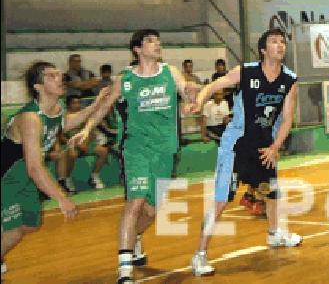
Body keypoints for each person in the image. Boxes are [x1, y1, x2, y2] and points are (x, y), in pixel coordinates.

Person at [69, 29, 201, 284]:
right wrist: (86, 129)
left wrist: (193, 93)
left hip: (165, 151)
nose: (157, 44)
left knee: (151, 211)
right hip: (135, 148)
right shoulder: (125, 79)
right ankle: (125, 267)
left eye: (158, 40)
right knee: (135, 202)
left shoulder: (170, 72)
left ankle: (134, 237)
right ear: (137, 49)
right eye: (150, 41)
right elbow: (104, 107)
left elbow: (187, 91)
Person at [189, 28, 302, 276]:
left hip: (265, 145)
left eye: (282, 42)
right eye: (274, 41)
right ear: (263, 50)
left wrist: (275, 147)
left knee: (271, 192)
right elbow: (214, 85)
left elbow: (287, 119)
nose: (280, 45)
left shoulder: (289, 80)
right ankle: (199, 255)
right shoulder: (245, 72)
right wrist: (199, 101)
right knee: (220, 201)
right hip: (237, 144)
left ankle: (274, 234)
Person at [1, 61, 110, 275]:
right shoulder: (30, 118)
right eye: (51, 76)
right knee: (13, 231)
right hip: (7, 177)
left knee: (31, 225)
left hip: (25, 178)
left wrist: (96, 103)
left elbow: (67, 122)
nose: (59, 78)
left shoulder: (56, 111)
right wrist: (62, 198)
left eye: (59, 74)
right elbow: (34, 167)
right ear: (38, 86)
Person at [59, 95, 112, 191]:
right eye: (74, 103)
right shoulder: (63, 117)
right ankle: (67, 179)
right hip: (70, 144)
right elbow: (60, 135)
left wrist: (85, 143)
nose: (77, 105)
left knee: (103, 151)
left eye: (79, 102)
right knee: (72, 154)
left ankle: (94, 176)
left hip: (84, 143)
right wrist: (70, 143)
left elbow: (90, 131)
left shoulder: (84, 115)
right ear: (68, 105)